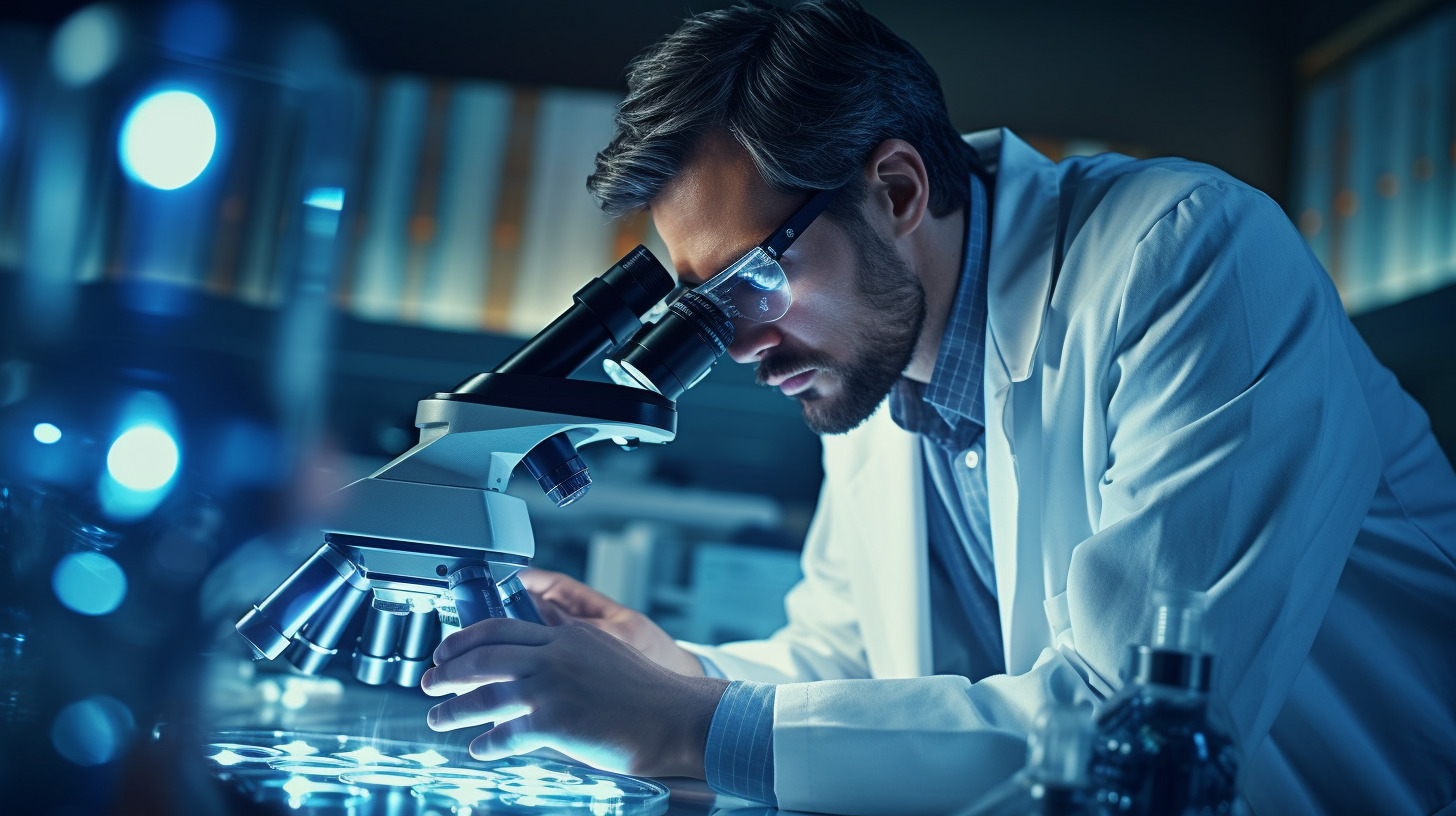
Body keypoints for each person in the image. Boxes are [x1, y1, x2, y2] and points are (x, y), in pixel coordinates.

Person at [418, 2, 1456, 814]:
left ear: (900, 190)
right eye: (701, 308)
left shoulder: (1186, 257)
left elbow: (1140, 727)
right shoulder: (864, 360)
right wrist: (670, 671)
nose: (734, 345)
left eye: (751, 285)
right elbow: (850, 669)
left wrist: (689, 728)